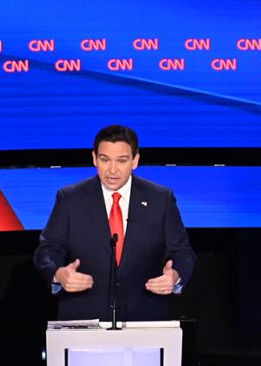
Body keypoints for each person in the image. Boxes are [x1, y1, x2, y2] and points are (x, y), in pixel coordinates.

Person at [33, 124, 196, 321]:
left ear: (135, 160)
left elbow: (182, 252)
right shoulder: (70, 199)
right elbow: (48, 249)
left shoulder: (160, 199)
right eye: (104, 160)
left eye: (121, 161)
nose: (112, 170)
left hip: (144, 320)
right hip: (84, 320)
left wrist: (174, 276)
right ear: (94, 158)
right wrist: (58, 274)